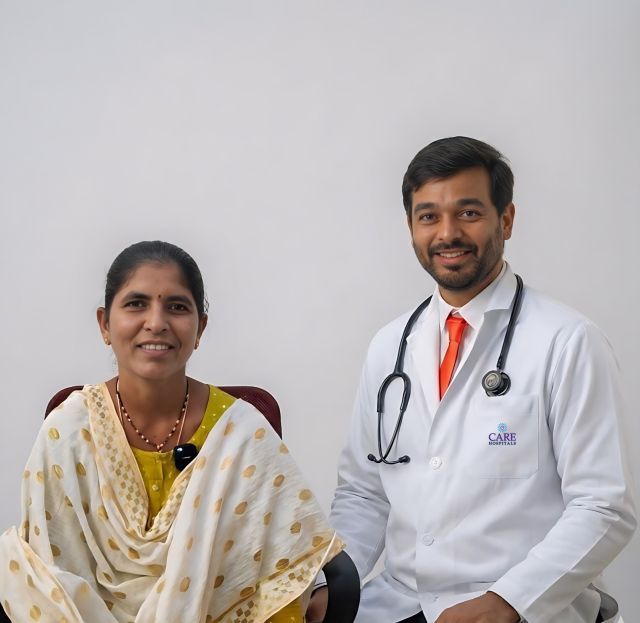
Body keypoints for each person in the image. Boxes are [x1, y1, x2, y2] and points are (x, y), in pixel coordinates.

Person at [307, 137, 636, 623]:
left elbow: (605, 506)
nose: (447, 233)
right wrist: (332, 584)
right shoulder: (390, 345)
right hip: (398, 604)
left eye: (468, 213)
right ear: (411, 227)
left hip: (523, 606)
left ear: (506, 219)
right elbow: (364, 493)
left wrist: (508, 601)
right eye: (428, 216)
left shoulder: (567, 341)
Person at [0, 241, 342, 623]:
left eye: (177, 307)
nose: (156, 322)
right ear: (105, 324)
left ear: (200, 328)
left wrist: (310, 583)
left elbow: (285, 563)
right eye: (136, 303)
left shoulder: (241, 433)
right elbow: (44, 576)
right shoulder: (67, 432)